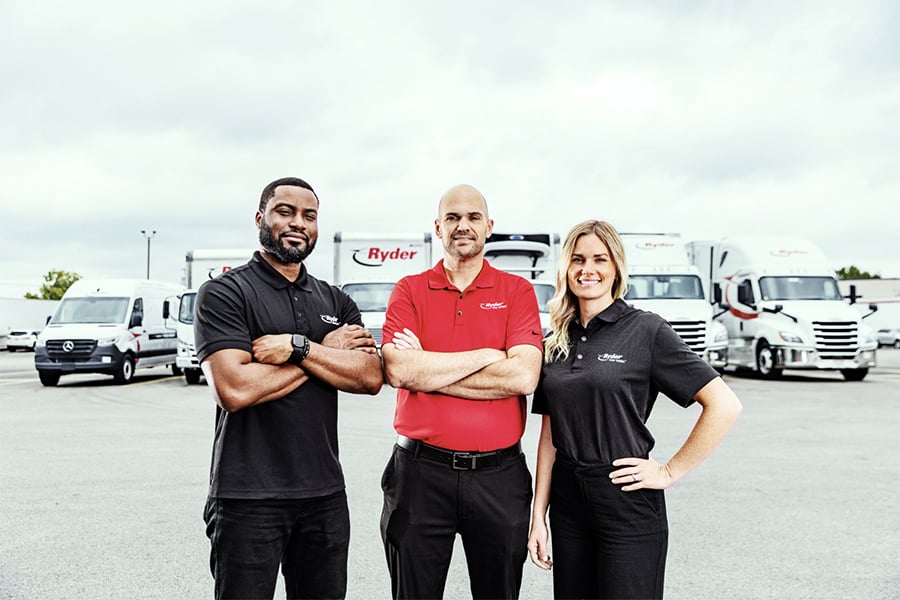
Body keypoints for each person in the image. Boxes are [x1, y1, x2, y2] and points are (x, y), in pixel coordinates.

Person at [527, 219, 743, 600]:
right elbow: (549, 435)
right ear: (565, 268)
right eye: (577, 260)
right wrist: (538, 517)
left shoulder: (646, 330)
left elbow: (724, 404)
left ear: (616, 268)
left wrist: (669, 470)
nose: (586, 270)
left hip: (626, 499)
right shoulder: (556, 341)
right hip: (567, 504)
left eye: (599, 259)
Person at [194, 176, 384, 600]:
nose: (298, 222)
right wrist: (322, 353)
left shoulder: (335, 301)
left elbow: (370, 377)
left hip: (324, 496)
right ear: (261, 218)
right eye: (286, 211)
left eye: (309, 215)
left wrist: (297, 349)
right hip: (246, 497)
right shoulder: (225, 293)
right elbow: (235, 389)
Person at [379, 184, 544, 600]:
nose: (462, 226)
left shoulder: (517, 292)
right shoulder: (410, 289)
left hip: (499, 477)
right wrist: (491, 354)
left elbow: (523, 377)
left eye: (472, 217)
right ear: (438, 227)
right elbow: (399, 369)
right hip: (418, 473)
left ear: (489, 227)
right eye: (452, 218)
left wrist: (429, 369)